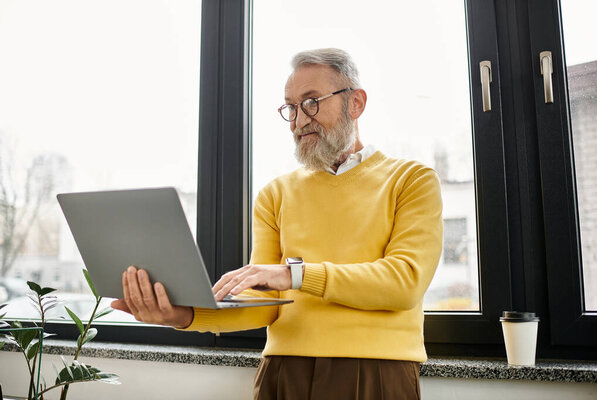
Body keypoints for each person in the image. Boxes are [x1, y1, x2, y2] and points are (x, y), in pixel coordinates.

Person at [111, 48, 443, 400]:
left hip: (376, 371)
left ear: (356, 103)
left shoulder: (411, 180)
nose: (300, 120)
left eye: (312, 102)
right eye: (291, 107)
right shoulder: (276, 193)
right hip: (283, 372)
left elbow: (404, 283)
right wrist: (181, 315)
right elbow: (264, 303)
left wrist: (293, 274)